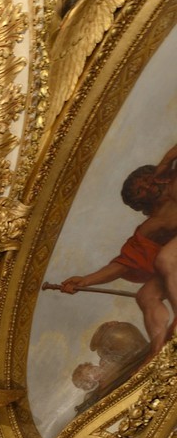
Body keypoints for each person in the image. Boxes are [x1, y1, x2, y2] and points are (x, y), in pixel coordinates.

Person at [55, 144, 177, 354]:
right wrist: (85, 280)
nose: (147, 187)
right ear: (138, 202)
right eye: (140, 190)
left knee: (165, 259)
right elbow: (124, 264)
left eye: (147, 180)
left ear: (158, 176)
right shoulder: (149, 228)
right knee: (145, 295)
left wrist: (166, 162)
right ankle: (160, 351)